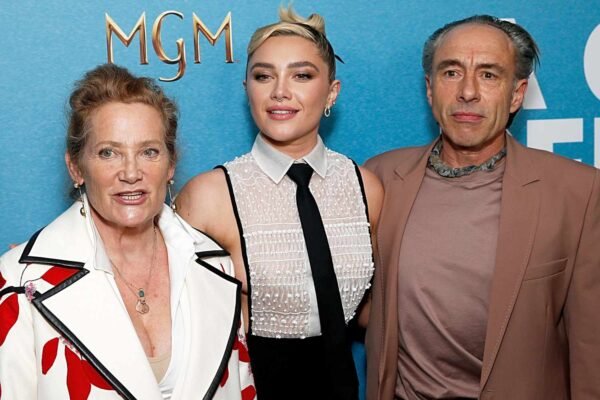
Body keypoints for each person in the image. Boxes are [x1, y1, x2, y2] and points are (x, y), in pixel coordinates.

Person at [364, 15, 600, 400]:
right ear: (430, 89)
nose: (468, 92)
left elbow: (592, 348)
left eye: (489, 75)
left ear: (517, 94)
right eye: (451, 72)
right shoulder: (380, 178)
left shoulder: (578, 192)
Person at [0, 64, 255, 400]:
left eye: (149, 152)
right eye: (108, 153)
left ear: (170, 164)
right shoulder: (20, 282)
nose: (131, 173)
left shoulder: (216, 265)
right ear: (76, 167)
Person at [176, 6, 383, 400]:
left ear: (332, 92)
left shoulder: (365, 187)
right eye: (263, 76)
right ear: (247, 90)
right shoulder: (209, 195)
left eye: (301, 75)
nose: (280, 91)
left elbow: (375, 311)